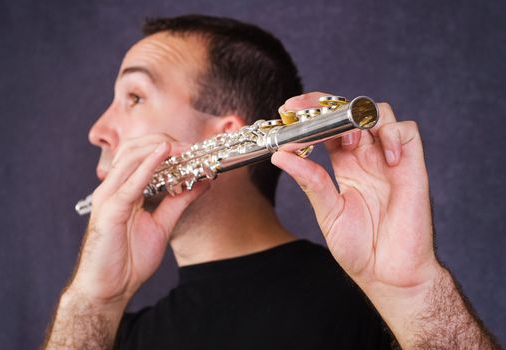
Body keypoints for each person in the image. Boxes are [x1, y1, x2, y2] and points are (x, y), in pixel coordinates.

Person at [43, 15, 499, 349]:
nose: (98, 129)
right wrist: (91, 301)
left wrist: (414, 293)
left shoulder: (370, 308)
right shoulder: (111, 332)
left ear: (228, 137)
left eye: (135, 96)